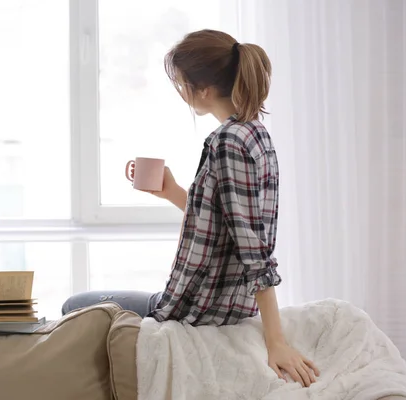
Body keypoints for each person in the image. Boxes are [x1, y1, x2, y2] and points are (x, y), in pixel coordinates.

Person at [62, 29, 320, 387]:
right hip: (218, 300)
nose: (181, 94)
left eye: (182, 84)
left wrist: (276, 341)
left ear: (203, 89)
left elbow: (253, 249)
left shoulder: (226, 141)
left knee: (74, 306)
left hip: (194, 306)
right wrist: (172, 192)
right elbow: (226, 224)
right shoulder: (254, 133)